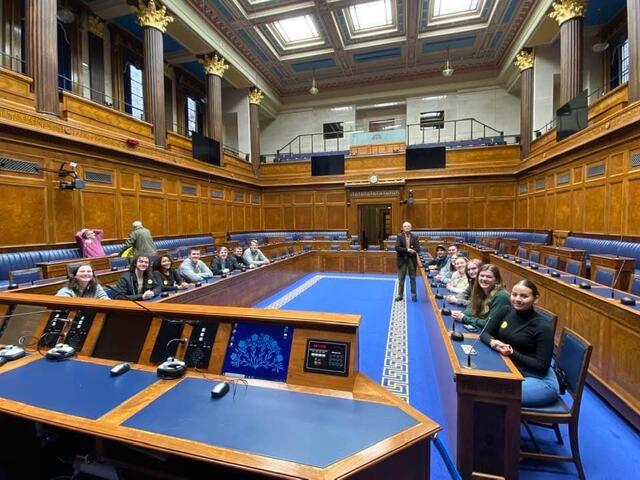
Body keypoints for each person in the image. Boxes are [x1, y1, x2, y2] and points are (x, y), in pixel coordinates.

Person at [481, 280, 559, 407]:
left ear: (536, 299)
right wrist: (494, 342)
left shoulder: (542, 326)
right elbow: (484, 333)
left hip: (541, 380)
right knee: (480, 386)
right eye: (514, 294)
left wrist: (512, 353)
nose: (517, 299)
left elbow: (542, 366)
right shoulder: (506, 310)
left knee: (491, 394)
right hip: (515, 369)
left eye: (524, 296)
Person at [451, 264, 510, 329]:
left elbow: (488, 324)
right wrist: (460, 314)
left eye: (489, 277)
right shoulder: (481, 291)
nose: (484, 279)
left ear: (496, 280)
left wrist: (464, 318)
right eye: (482, 276)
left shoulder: (501, 297)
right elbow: (471, 310)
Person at [394, 221, 421, 302]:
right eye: (405, 226)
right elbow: (397, 248)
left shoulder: (415, 237)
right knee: (401, 279)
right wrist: (407, 250)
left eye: (408, 226)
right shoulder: (399, 236)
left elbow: (418, 249)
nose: (407, 227)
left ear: (411, 228)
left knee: (413, 278)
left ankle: (413, 295)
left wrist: (413, 251)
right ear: (403, 228)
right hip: (402, 260)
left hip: (412, 260)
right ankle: (400, 295)